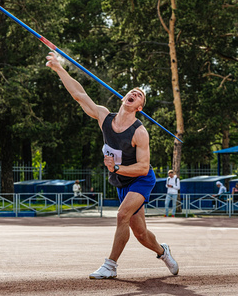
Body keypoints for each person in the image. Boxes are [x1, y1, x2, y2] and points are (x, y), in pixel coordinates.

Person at [46, 52, 178, 279]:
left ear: (139, 107)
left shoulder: (140, 132)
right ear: (123, 98)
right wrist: (59, 68)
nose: (134, 94)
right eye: (132, 92)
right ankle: (162, 251)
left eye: (139, 96)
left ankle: (110, 266)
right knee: (140, 233)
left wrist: (116, 168)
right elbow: (79, 94)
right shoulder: (104, 117)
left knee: (121, 215)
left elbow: (144, 168)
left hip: (140, 179)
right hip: (121, 182)